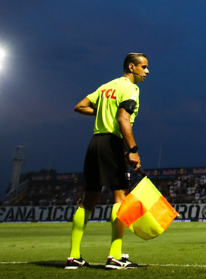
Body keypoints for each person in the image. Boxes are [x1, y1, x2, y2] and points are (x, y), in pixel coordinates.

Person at [65, 53, 148, 270]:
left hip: (95, 143)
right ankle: (115, 256)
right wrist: (133, 150)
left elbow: (80, 106)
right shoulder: (131, 89)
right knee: (120, 196)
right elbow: (123, 119)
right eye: (144, 67)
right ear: (131, 67)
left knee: (89, 199)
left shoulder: (106, 86)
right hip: (112, 143)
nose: (147, 72)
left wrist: (103, 111)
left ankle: (74, 256)